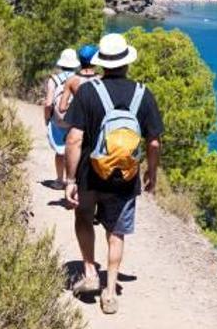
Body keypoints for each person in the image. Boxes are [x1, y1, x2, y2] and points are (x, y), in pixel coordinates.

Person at [63, 33, 164, 315]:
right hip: (125, 178)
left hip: (88, 175)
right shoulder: (143, 94)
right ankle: (110, 292)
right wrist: (151, 173)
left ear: (103, 63)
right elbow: (154, 141)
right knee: (116, 231)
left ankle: (90, 272)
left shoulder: (87, 92)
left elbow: (74, 139)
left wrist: (70, 180)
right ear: (127, 63)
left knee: (83, 217)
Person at [44, 48, 80, 189]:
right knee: (74, 149)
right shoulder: (78, 79)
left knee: (60, 152)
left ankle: (59, 181)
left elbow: (48, 103)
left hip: (58, 120)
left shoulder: (54, 79)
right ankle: (73, 181)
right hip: (75, 121)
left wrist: (47, 119)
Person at [57, 44, 99, 117]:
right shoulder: (101, 79)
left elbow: (62, 108)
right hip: (96, 121)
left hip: (80, 121)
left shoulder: (71, 80)